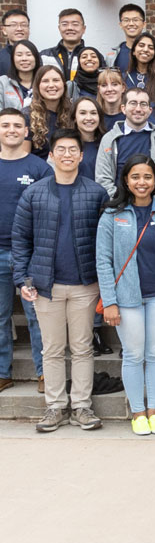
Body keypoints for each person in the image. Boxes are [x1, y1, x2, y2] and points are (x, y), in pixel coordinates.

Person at [12, 128, 109, 432]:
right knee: (52, 349)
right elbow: (21, 240)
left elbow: (105, 240)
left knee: (81, 347)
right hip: (45, 286)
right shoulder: (34, 193)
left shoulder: (96, 193)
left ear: (82, 156)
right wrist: (22, 278)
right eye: (61, 150)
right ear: (51, 156)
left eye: (73, 150)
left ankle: (81, 406)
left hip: (84, 284)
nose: (67, 155)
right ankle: (55, 407)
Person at [95, 155, 155, 435]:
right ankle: (138, 413)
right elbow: (103, 261)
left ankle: (154, 412)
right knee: (132, 355)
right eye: (136, 177)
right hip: (126, 298)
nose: (142, 182)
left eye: (148, 177)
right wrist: (110, 302)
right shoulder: (111, 215)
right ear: (126, 181)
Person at [0, 108, 49, 395]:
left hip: (29, 255)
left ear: (26, 131)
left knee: (37, 316)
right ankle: (3, 373)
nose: (11, 130)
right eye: (5, 125)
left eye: (17, 125)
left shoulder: (39, 168)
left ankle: (45, 373)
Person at [95, 87, 155, 201]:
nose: (138, 109)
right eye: (133, 103)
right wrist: (119, 202)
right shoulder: (109, 139)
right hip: (120, 209)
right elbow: (102, 179)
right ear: (123, 108)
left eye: (143, 104)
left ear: (150, 110)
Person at [24, 66, 72, 159]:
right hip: (38, 172)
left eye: (56, 80)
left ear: (63, 84)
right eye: (45, 81)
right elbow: (24, 159)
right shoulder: (26, 116)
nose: (51, 85)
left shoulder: (74, 112)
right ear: (37, 86)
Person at [40, 8, 88, 81]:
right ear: (59, 28)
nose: (70, 28)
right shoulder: (44, 56)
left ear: (83, 29)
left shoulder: (93, 57)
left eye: (75, 24)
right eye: (64, 24)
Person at [0, 39, 40, 109]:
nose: (24, 59)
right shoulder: (3, 83)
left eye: (29, 55)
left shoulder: (44, 82)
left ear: (36, 58)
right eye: (19, 55)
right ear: (13, 59)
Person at [71, 97, 104, 180]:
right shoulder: (65, 144)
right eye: (83, 113)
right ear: (74, 117)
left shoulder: (107, 143)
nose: (89, 118)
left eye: (93, 113)